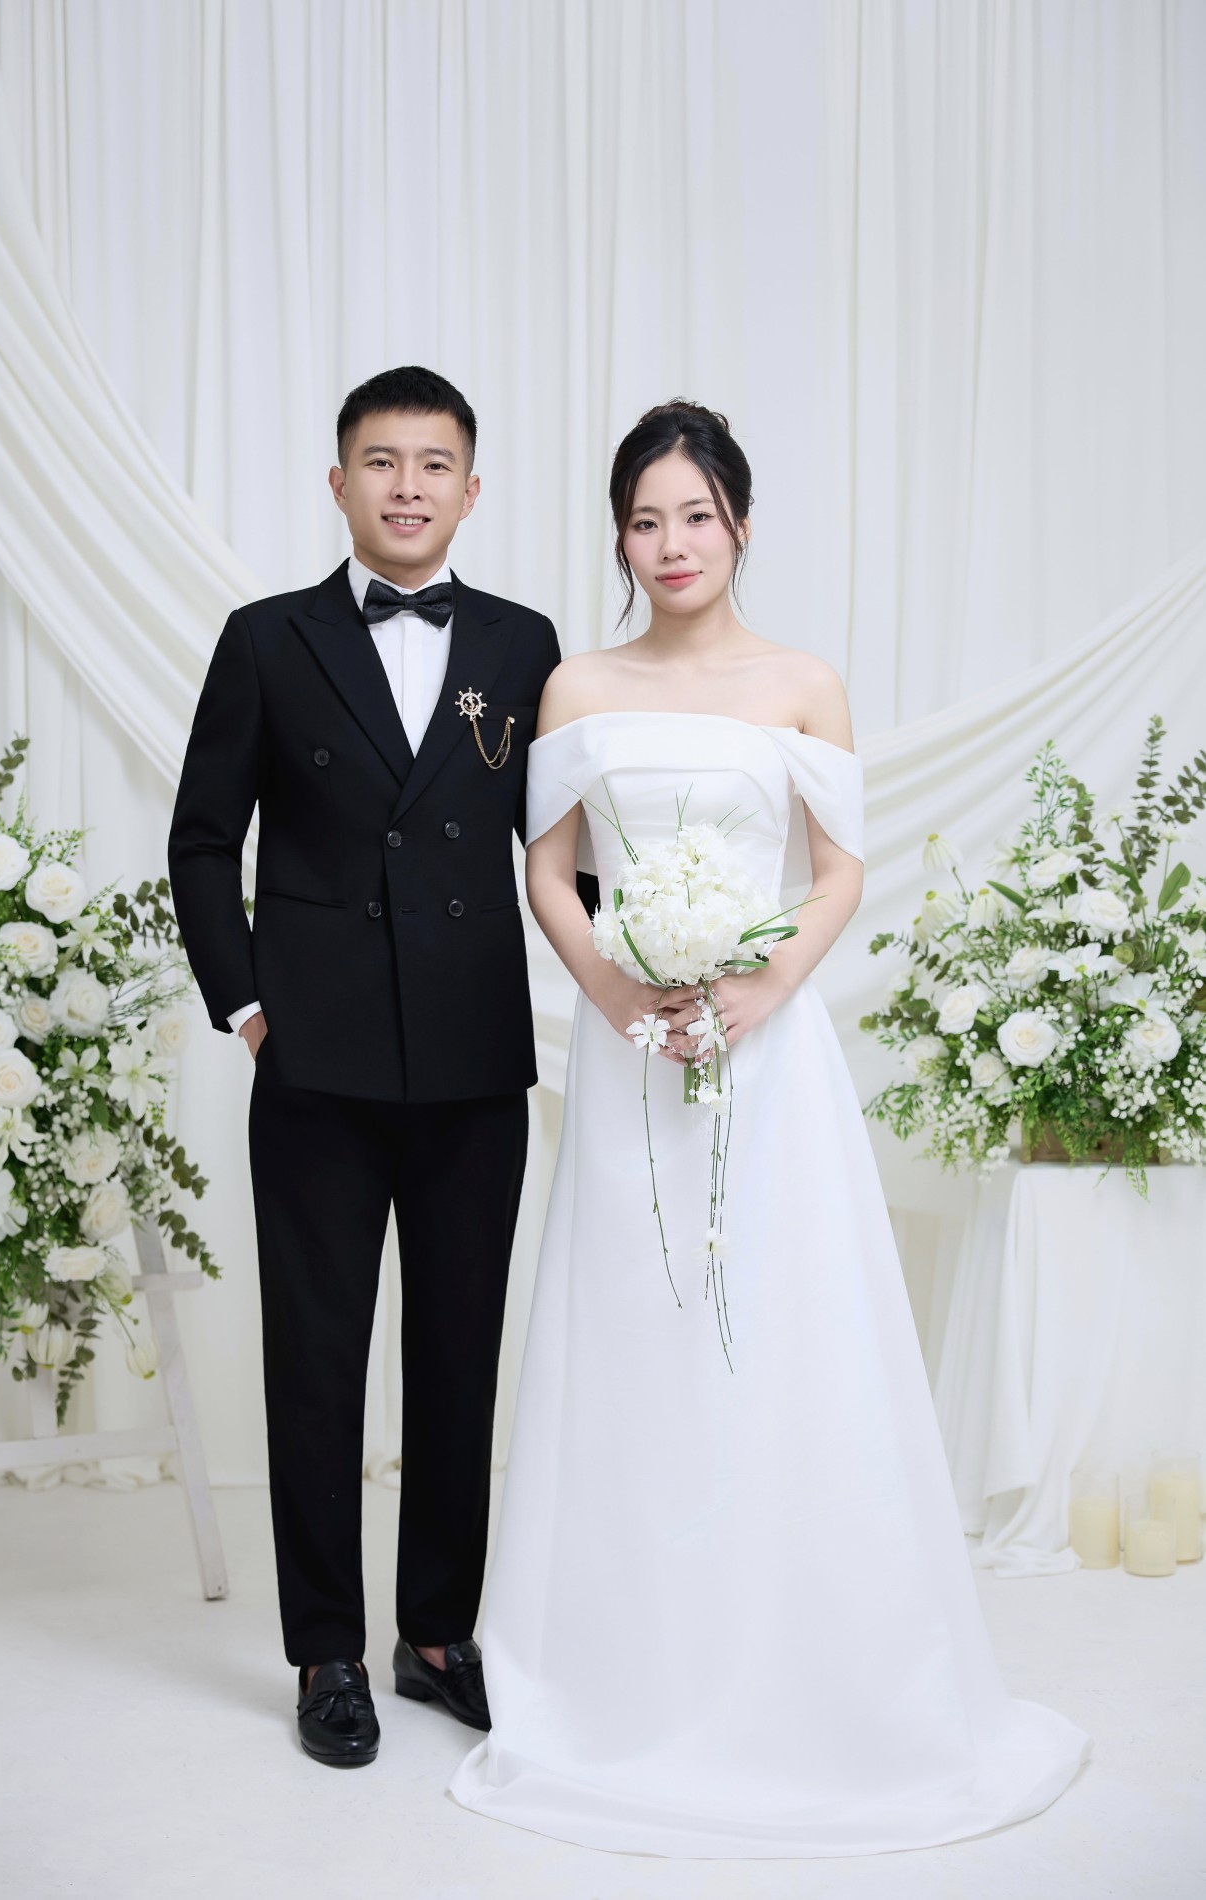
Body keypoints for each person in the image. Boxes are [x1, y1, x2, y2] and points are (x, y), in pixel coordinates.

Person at [450, 400, 1091, 1855]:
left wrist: (762, 987)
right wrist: (622, 993)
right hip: (631, 1052)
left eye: (696, 515)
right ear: (619, 538)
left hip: (767, 1050)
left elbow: (838, 868)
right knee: (635, 1326)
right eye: (644, 520)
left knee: (784, 1327)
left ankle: (807, 1666)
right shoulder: (576, 686)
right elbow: (549, 873)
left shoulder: (804, 682)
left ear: (739, 523)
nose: (670, 544)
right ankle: (617, 1680)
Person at [168, 365, 564, 1767]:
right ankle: (327, 1652)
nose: (407, 486)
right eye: (381, 462)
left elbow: (562, 846)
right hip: (317, 1062)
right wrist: (249, 1007)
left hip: (473, 1055)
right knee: (317, 1361)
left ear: (472, 488)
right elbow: (201, 838)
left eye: (433, 463)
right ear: (338, 483)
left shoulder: (524, 645)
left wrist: (659, 958)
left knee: (459, 1355)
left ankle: (437, 1634)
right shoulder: (267, 639)